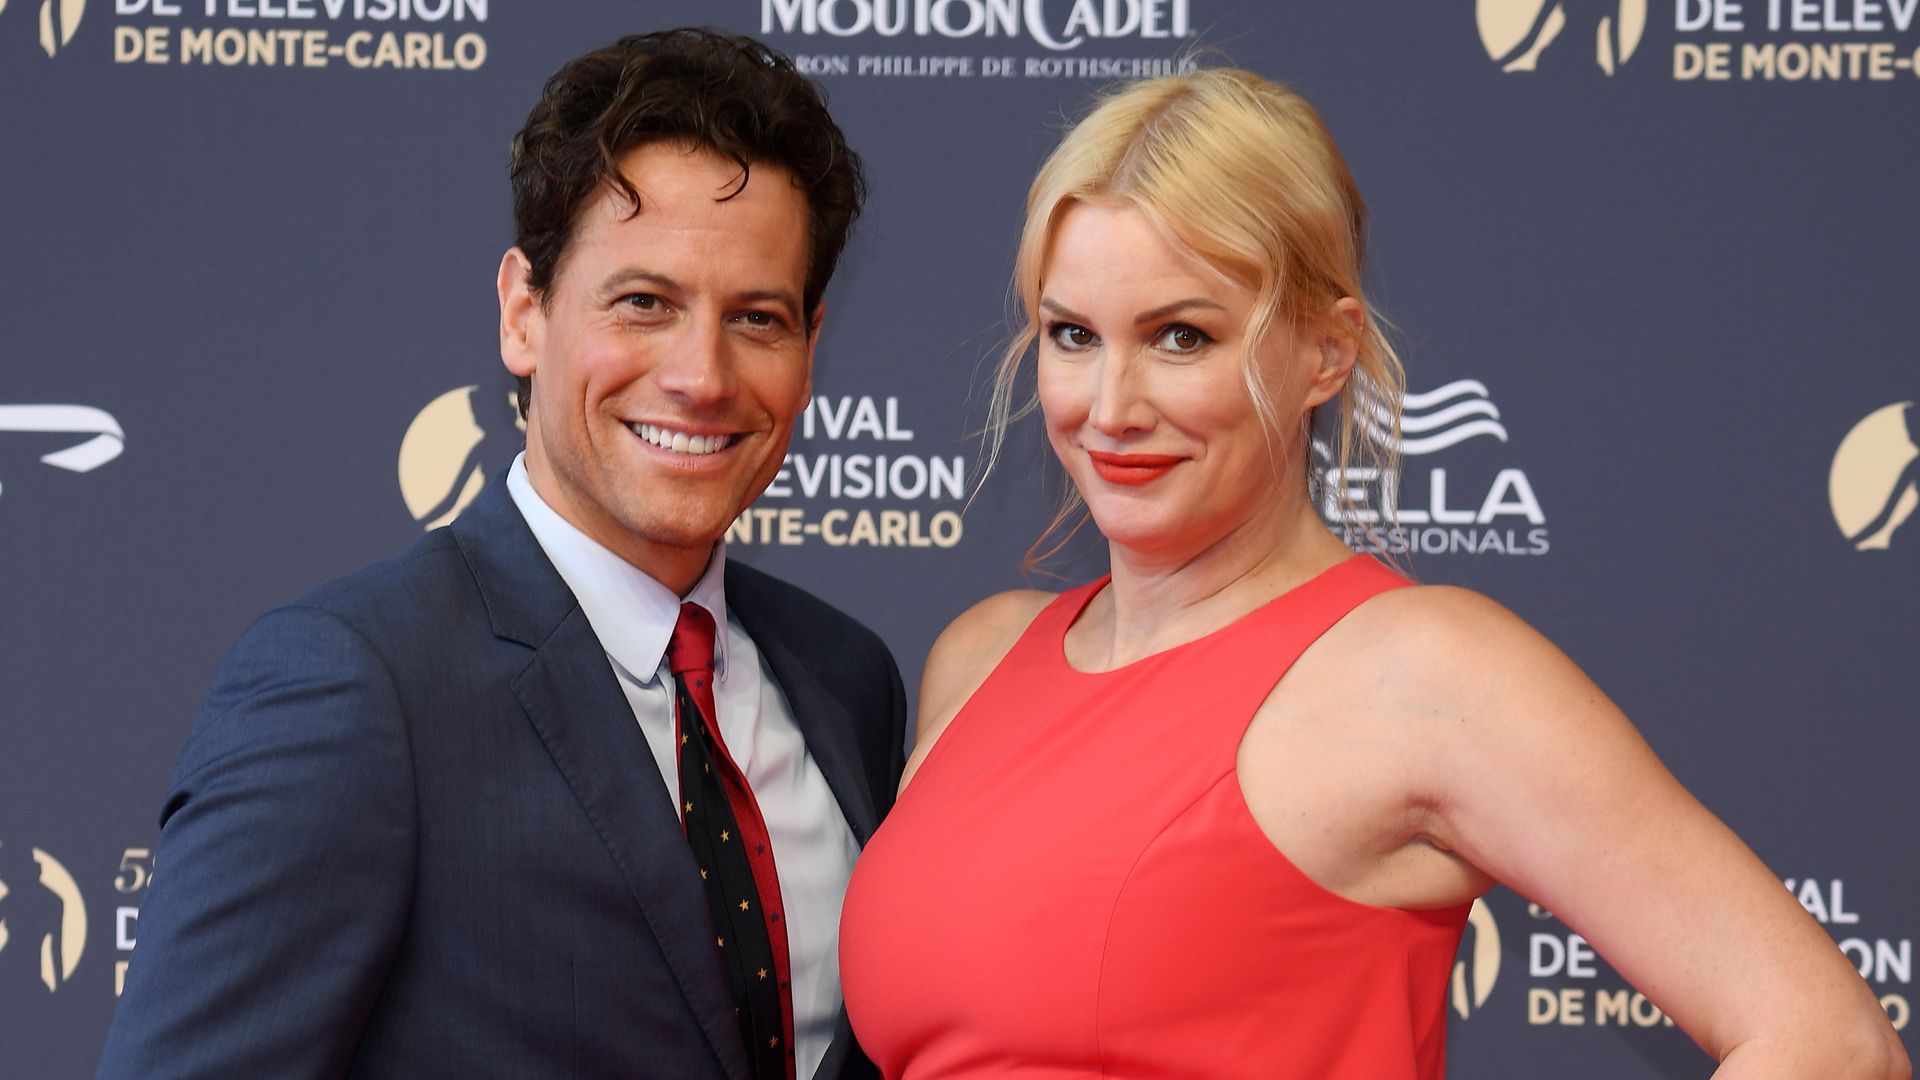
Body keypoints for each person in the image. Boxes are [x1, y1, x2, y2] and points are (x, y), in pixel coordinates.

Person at [837, 68, 1909, 1079]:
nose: (1108, 406)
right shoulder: (979, 657)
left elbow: (1829, 1045)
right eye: (1073, 334)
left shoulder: (1422, 672)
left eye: (1180, 337)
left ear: (1325, 352)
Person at [97, 28, 905, 1080]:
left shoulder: (848, 680)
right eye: (644, 304)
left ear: (810, 343)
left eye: (757, 317)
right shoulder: (356, 686)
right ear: (525, 312)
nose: (702, 375)